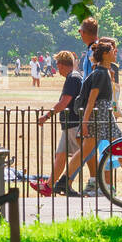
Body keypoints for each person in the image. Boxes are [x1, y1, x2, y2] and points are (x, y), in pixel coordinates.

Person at [57, 38, 122, 196]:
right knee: (118, 145)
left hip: (102, 115)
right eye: (113, 50)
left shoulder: (106, 71)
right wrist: (84, 123)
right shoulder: (100, 73)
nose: (116, 52)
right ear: (105, 53)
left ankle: (64, 182)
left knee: (95, 150)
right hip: (98, 116)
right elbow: (93, 100)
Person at [35, 51, 83, 196]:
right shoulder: (74, 76)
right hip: (69, 124)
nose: (57, 68)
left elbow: (64, 102)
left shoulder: (72, 78)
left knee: (81, 156)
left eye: (57, 65)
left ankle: (71, 183)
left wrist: (46, 115)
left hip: (73, 123)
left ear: (62, 65)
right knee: (60, 156)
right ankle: (49, 186)